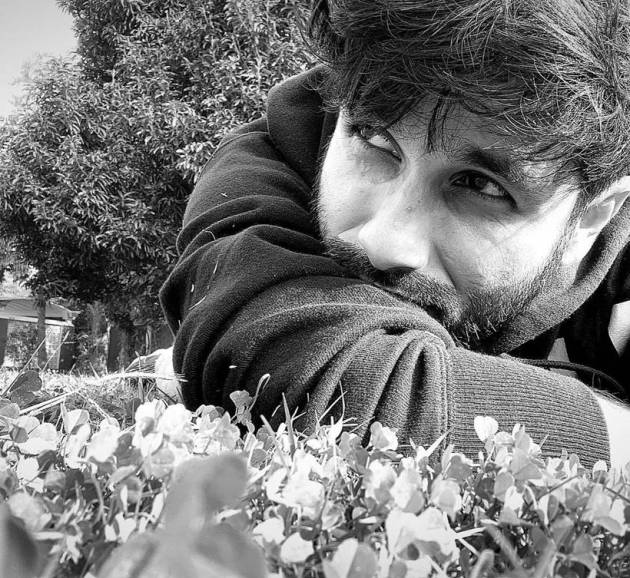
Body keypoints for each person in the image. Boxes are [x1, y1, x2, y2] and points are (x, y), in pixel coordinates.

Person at [160, 0, 630, 467]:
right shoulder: (267, 163)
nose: (385, 243)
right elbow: (313, 373)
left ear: (591, 218)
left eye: (479, 185)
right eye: (375, 139)